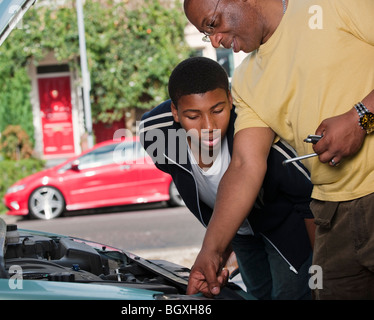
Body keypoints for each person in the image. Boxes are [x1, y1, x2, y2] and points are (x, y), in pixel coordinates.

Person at [183, 0, 374, 299]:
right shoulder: (246, 81)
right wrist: (211, 251)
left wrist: (361, 117)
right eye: (207, 35)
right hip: (332, 218)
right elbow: (245, 164)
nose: (216, 40)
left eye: (212, 23)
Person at [139, 56, 314, 299]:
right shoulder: (157, 136)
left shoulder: (256, 133)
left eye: (218, 110)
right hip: (238, 233)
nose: (208, 125)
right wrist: (218, 250)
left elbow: (307, 196)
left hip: (284, 229)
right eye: (193, 116)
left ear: (230, 100)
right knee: (257, 293)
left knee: (288, 294)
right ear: (175, 113)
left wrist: (323, 265)